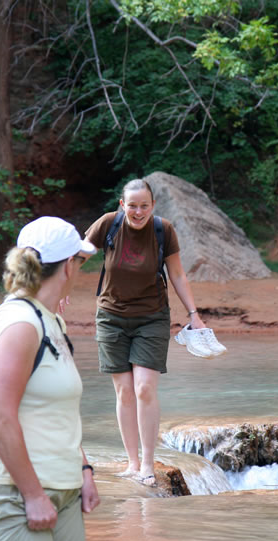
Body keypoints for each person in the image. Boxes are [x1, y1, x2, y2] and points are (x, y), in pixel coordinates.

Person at [0, 216, 101, 541]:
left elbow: (57, 411)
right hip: (15, 493)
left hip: (64, 488)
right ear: (69, 267)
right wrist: (32, 495)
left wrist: (84, 470)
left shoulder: (50, 319)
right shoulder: (20, 324)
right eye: (80, 261)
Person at [85, 177, 210, 487]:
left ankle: (147, 463)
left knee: (143, 389)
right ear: (121, 205)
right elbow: (78, 254)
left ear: (152, 206)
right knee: (124, 391)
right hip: (111, 318)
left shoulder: (162, 229)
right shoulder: (108, 224)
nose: (138, 212)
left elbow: (177, 274)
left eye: (144, 206)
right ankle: (131, 462)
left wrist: (194, 314)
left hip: (152, 318)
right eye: (132, 206)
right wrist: (58, 288)